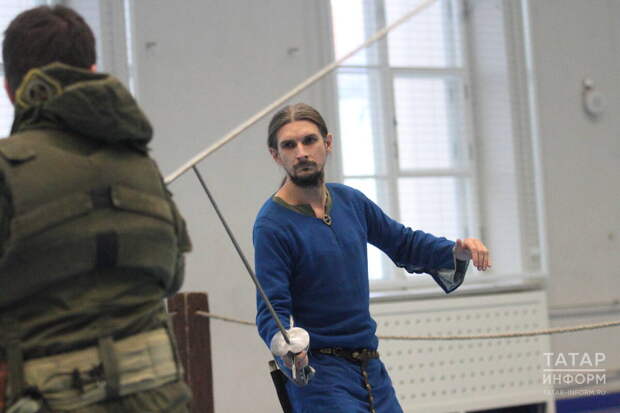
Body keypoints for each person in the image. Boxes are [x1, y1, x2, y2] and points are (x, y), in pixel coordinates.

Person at [0, 6, 192, 413]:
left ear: (10, 89)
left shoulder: (7, 169)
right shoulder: (142, 168)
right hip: (162, 401)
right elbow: (171, 277)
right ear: (91, 71)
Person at [253, 103, 491, 413]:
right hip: (320, 379)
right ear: (275, 155)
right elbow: (271, 309)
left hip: (370, 368)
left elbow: (403, 243)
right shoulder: (272, 224)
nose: (301, 152)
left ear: (328, 143)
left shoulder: (351, 201)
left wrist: (454, 251)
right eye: (289, 145)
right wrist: (285, 346)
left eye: (309, 140)